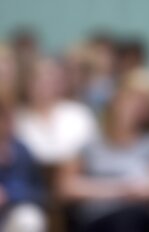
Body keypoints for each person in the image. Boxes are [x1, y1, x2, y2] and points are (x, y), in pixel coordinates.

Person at [58, 70, 149, 232]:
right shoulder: (91, 144)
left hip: (139, 218)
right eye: (130, 99)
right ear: (115, 100)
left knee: (130, 218)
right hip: (96, 218)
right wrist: (118, 190)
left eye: (142, 103)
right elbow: (66, 186)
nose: (134, 108)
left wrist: (146, 190)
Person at [15, 58, 96, 165]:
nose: (44, 86)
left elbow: (90, 151)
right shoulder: (16, 118)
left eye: (49, 80)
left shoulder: (79, 113)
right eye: (37, 80)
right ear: (26, 84)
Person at [0, 100, 46, 232]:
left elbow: (39, 192)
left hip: (13, 212)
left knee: (29, 218)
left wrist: (8, 194)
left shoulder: (20, 150)